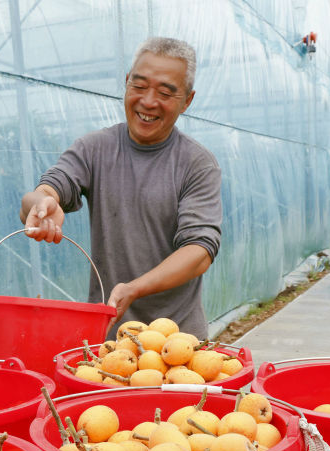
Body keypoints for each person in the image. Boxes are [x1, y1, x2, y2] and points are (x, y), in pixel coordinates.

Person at [19, 36, 223, 339]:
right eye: (139, 86)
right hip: (109, 339)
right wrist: (40, 204)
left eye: (165, 92)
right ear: (127, 83)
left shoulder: (196, 163)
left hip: (179, 343)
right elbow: (46, 192)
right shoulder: (94, 149)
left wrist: (135, 288)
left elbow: (199, 251)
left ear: (187, 100)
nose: (149, 101)